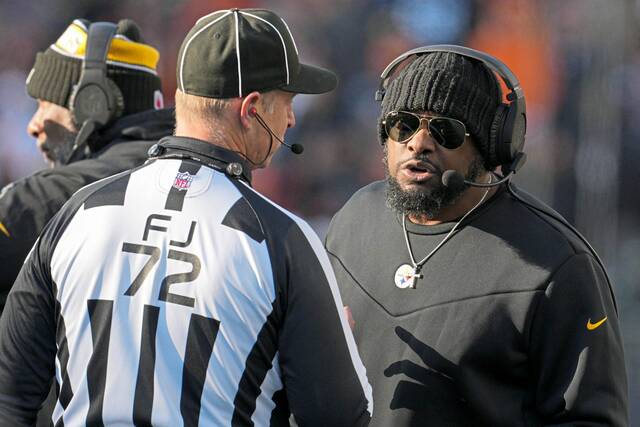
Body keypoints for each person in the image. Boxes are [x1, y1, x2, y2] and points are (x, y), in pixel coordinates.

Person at [0, 8, 372, 426]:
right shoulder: (282, 240)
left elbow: (11, 394)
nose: (291, 119)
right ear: (251, 109)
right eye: (286, 102)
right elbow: (340, 416)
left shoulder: (77, 213)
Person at [325, 46, 628, 426]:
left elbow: (591, 419)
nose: (418, 143)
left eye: (445, 130)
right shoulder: (354, 219)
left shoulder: (558, 265)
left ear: (491, 146)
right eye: (402, 125)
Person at [0, 18, 174, 313]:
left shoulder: (33, 202)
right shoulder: (204, 182)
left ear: (92, 103)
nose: (33, 125)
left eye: (44, 103)